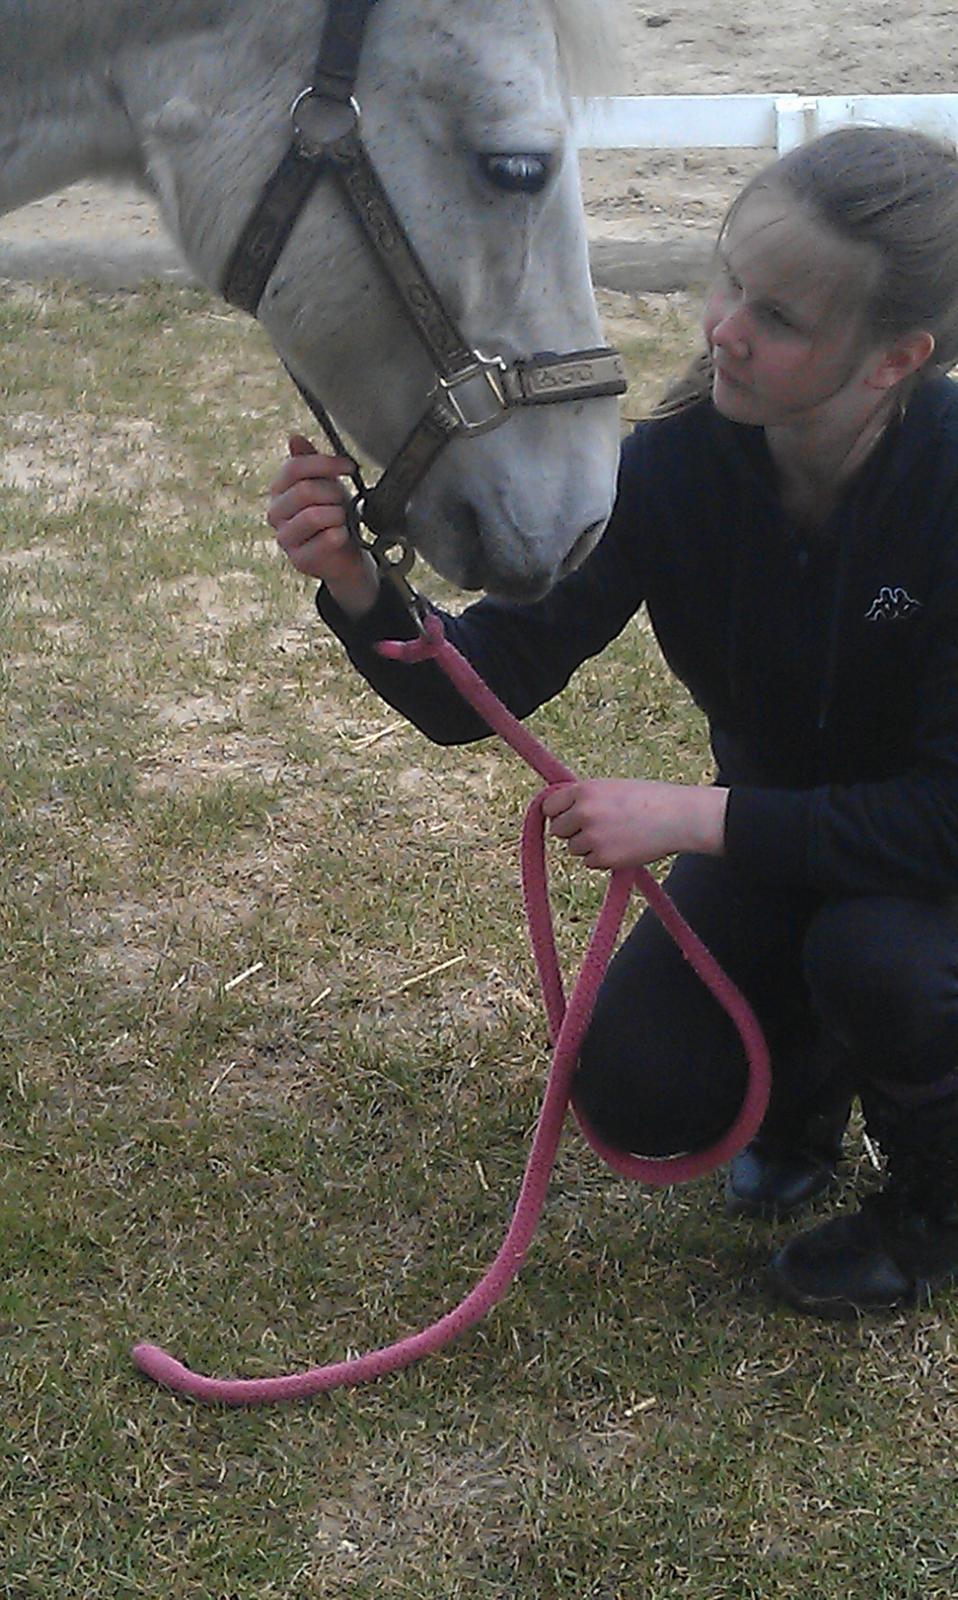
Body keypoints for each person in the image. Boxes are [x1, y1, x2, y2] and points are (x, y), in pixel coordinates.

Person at [267, 125, 958, 1319]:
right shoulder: (670, 471)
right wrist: (358, 588)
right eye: (728, 278)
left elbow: (942, 824)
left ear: (894, 357)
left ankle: (934, 1214)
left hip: (924, 876)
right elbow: (474, 687)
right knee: (638, 1087)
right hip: (783, 850)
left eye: (779, 317)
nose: (722, 327)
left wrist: (690, 814)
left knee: (880, 961)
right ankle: (801, 1088)